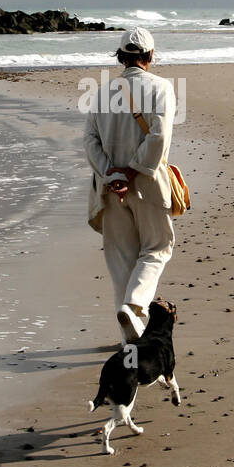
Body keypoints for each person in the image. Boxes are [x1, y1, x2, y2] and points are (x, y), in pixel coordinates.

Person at [83, 27, 177, 344]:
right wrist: (134, 171)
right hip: (148, 186)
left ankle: (130, 343)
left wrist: (112, 175)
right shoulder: (162, 88)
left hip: (110, 191)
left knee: (121, 260)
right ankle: (135, 307)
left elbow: (89, 141)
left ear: (122, 57)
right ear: (150, 56)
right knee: (156, 249)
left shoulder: (100, 94)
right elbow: (159, 136)